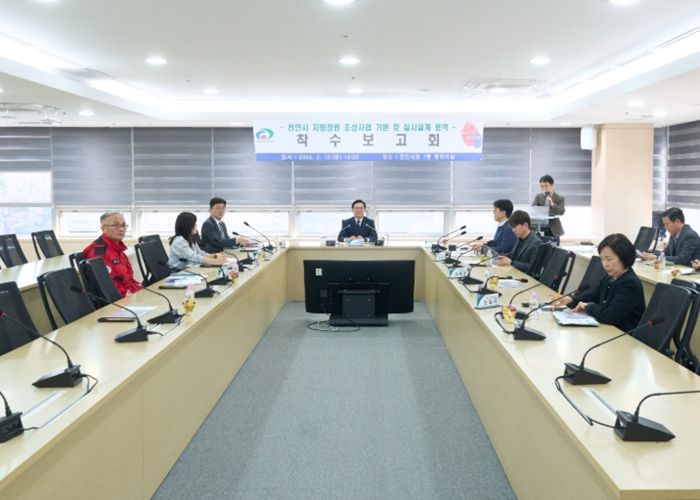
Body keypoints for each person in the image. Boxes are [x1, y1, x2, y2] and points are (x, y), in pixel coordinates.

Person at [553, 233, 645, 331]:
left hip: (624, 335)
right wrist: (571, 299)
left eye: (609, 259)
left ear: (624, 257)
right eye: (602, 259)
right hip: (608, 330)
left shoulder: (629, 284)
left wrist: (587, 307)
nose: (605, 264)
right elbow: (593, 296)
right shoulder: (610, 277)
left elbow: (610, 315)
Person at [82, 211, 143, 297]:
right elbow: (109, 289)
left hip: (130, 294)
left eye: (123, 225)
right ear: (103, 228)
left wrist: (141, 290)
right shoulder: (98, 254)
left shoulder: (118, 249)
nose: (121, 229)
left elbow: (129, 280)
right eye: (115, 225)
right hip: (120, 301)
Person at [532, 174, 565, 245]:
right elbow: (533, 210)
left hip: (553, 229)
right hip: (540, 227)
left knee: (554, 249)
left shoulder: (559, 198)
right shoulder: (538, 196)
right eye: (542, 186)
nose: (544, 188)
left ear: (552, 185)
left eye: (546, 186)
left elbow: (561, 212)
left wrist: (552, 204)